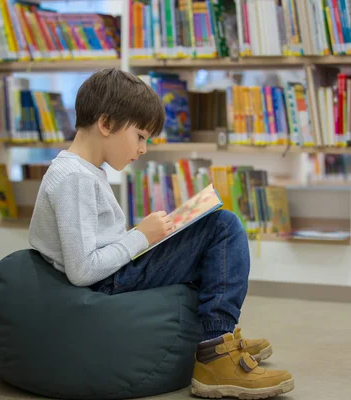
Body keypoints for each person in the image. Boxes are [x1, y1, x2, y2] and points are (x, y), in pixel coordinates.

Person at [28, 68, 294, 399]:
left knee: (206, 231)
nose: (142, 149)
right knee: (223, 228)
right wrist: (141, 236)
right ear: (106, 124)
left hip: (114, 271)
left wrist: (152, 235)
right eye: (140, 136)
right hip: (105, 281)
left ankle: (217, 336)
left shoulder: (82, 170)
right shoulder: (75, 179)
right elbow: (82, 270)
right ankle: (215, 350)